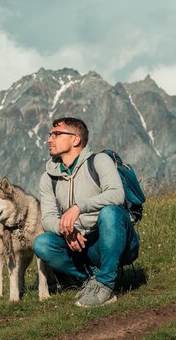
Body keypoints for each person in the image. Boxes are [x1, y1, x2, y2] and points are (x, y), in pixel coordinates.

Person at [33, 117, 140, 307]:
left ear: (75, 139)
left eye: (56, 134)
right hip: (81, 245)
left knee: (110, 213)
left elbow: (117, 194)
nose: (50, 139)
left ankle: (106, 285)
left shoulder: (99, 160)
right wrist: (65, 230)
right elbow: (48, 218)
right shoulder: (48, 178)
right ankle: (93, 279)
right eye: (50, 134)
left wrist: (79, 207)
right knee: (42, 243)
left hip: (114, 239)